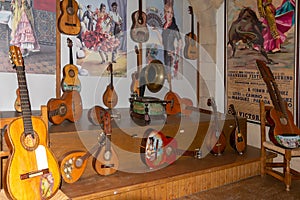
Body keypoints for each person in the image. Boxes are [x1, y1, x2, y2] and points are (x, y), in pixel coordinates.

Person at [154, 2, 182, 77]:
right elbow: (162, 42)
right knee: (166, 74)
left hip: (171, 53)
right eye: (168, 12)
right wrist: (157, 31)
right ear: (165, 13)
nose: (170, 14)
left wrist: (175, 53)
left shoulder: (174, 27)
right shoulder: (165, 26)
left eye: (171, 13)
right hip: (165, 52)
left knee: (170, 74)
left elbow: (180, 41)